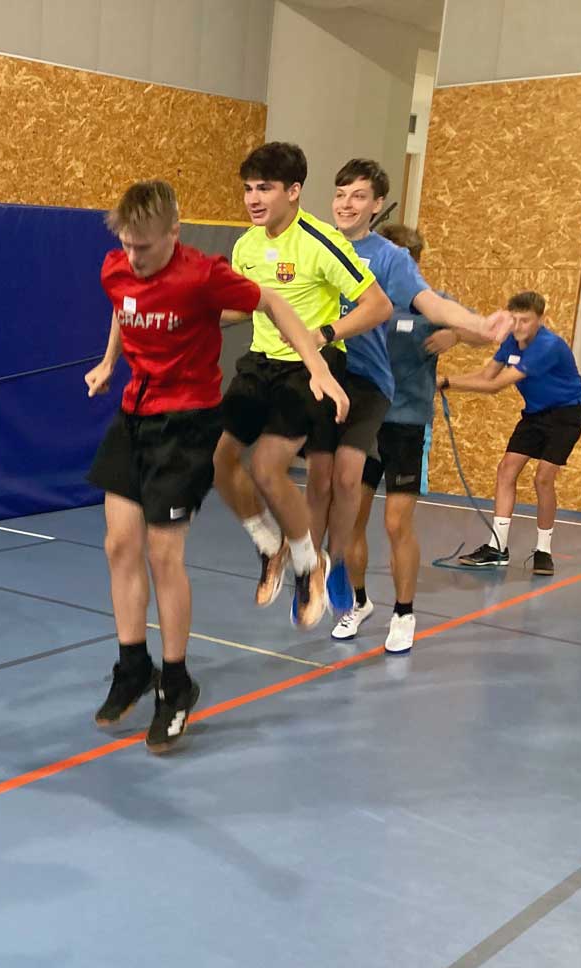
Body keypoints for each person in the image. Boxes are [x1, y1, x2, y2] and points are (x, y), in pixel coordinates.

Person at [83, 179, 349, 751]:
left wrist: (318, 367)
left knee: (163, 555)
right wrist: (108, 363)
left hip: (187, 425)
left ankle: (176, 682)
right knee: (118, 544)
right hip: (133, 417)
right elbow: (123, 306)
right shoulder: (116, 267)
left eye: (145, 247)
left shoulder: (203, 275)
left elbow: (273, 302)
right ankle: (133, 664)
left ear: (174, 234)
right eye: (127, 244)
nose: (134, 257)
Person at [320, 165, 511, 650]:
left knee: (396, 522)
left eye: (358, 196)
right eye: (341, 195)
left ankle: (404, 612)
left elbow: (460, 323)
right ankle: (359, 601)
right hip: (364, 419)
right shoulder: (350, 288)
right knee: (351, 519)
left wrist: (463, 332)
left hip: (406, 423)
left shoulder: (423, 301)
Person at [212, 141, 391, 630]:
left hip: (309, 367)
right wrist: (197, 317)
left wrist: (324, 333)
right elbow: (243, 307)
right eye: (248, 188)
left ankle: (311, 565)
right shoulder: (246, 246)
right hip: (260, 363)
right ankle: (270, 546)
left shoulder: (321, 241)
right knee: (220, 459)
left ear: (293, 191)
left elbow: (378, 306)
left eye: (264, 189)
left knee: (268, 467)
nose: (253, 199)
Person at [443, 291, 581, 576]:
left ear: (540, 320)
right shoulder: (511, 341)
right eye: (515, 319)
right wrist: (446, 380)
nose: (519, 326)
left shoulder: (548, 346)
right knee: (506, 469)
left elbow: (494, 386)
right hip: (535, 412)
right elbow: (486, 375)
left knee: (543, 478)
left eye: (526, 320)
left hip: (567, 412)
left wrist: (447, 382)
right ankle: (497, 548)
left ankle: (543, 551)